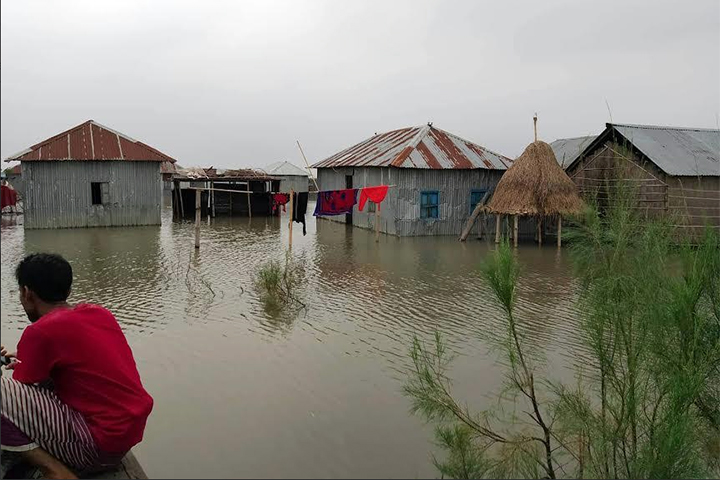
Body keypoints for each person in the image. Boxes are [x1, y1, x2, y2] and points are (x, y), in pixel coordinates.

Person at [1, 253, 153, 479]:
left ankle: (56, 471)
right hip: (122, 437)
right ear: (68, 291)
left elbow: (17, 398)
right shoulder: (99, 313)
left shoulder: (39, 331)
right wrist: (25, 356)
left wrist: (25, 362)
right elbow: (77, 360)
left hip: (95, 447)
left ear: (26, 293)